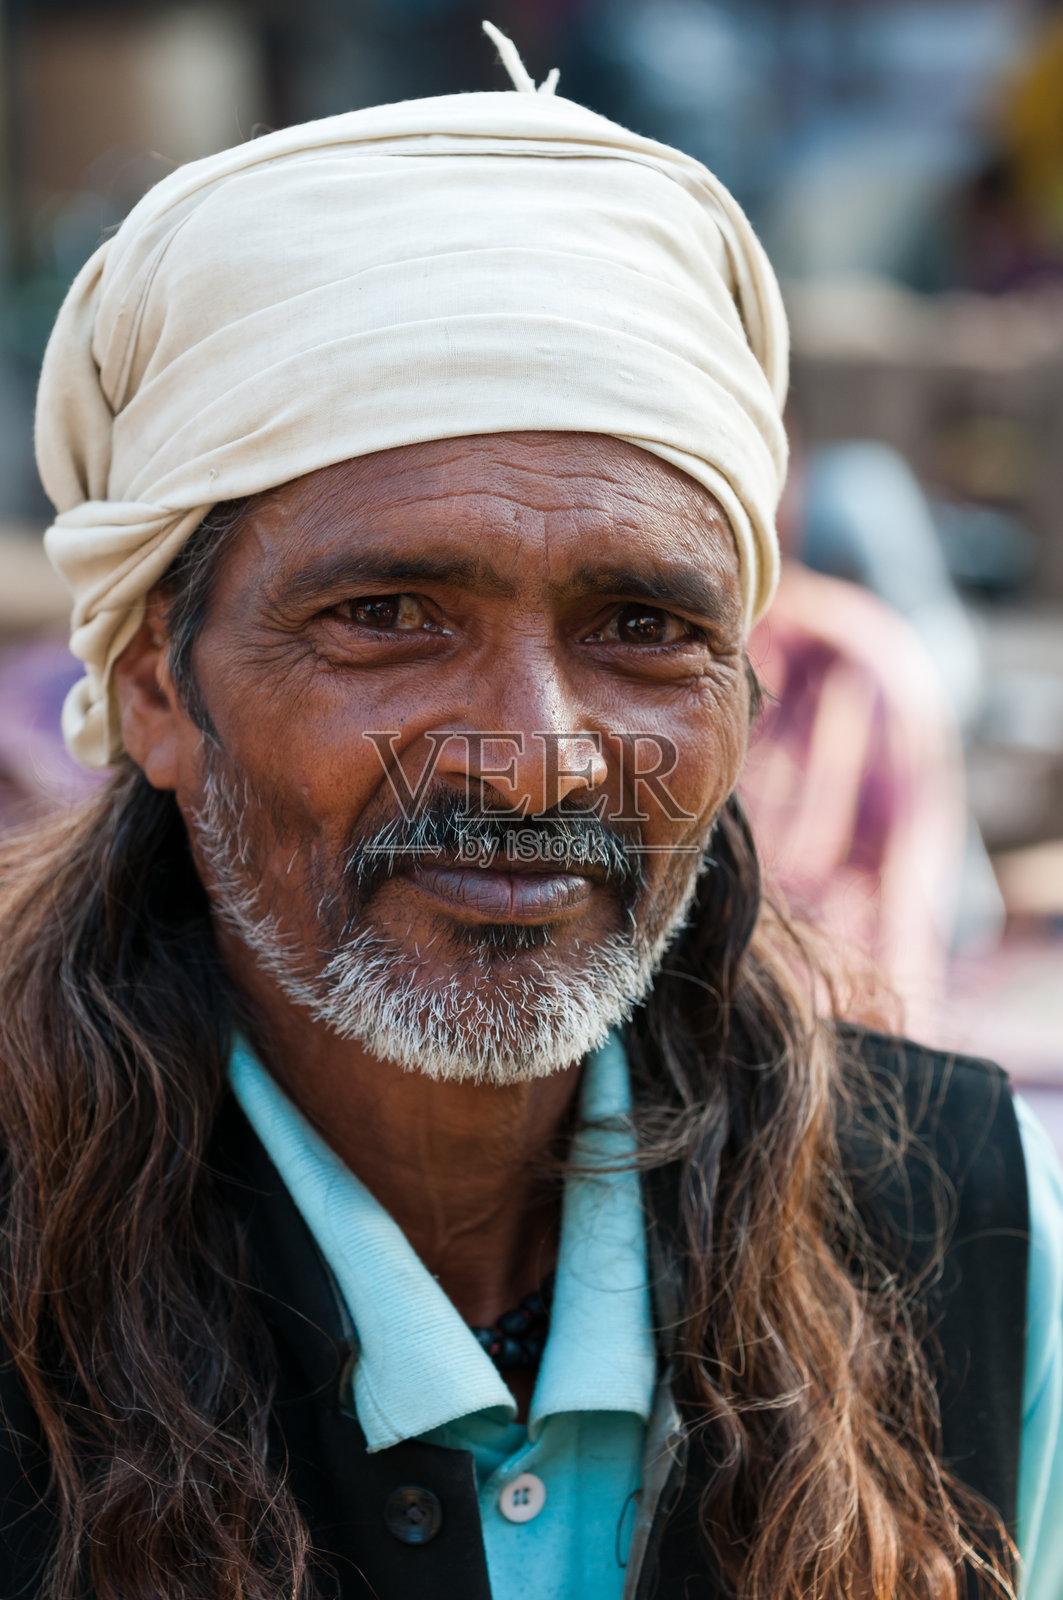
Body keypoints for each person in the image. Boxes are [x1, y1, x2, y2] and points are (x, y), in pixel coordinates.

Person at [1, 23, 1059, 1600]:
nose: (538, 762)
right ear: (157, 686)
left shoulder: (969, 1228)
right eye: (387, 617)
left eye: (642, 628)